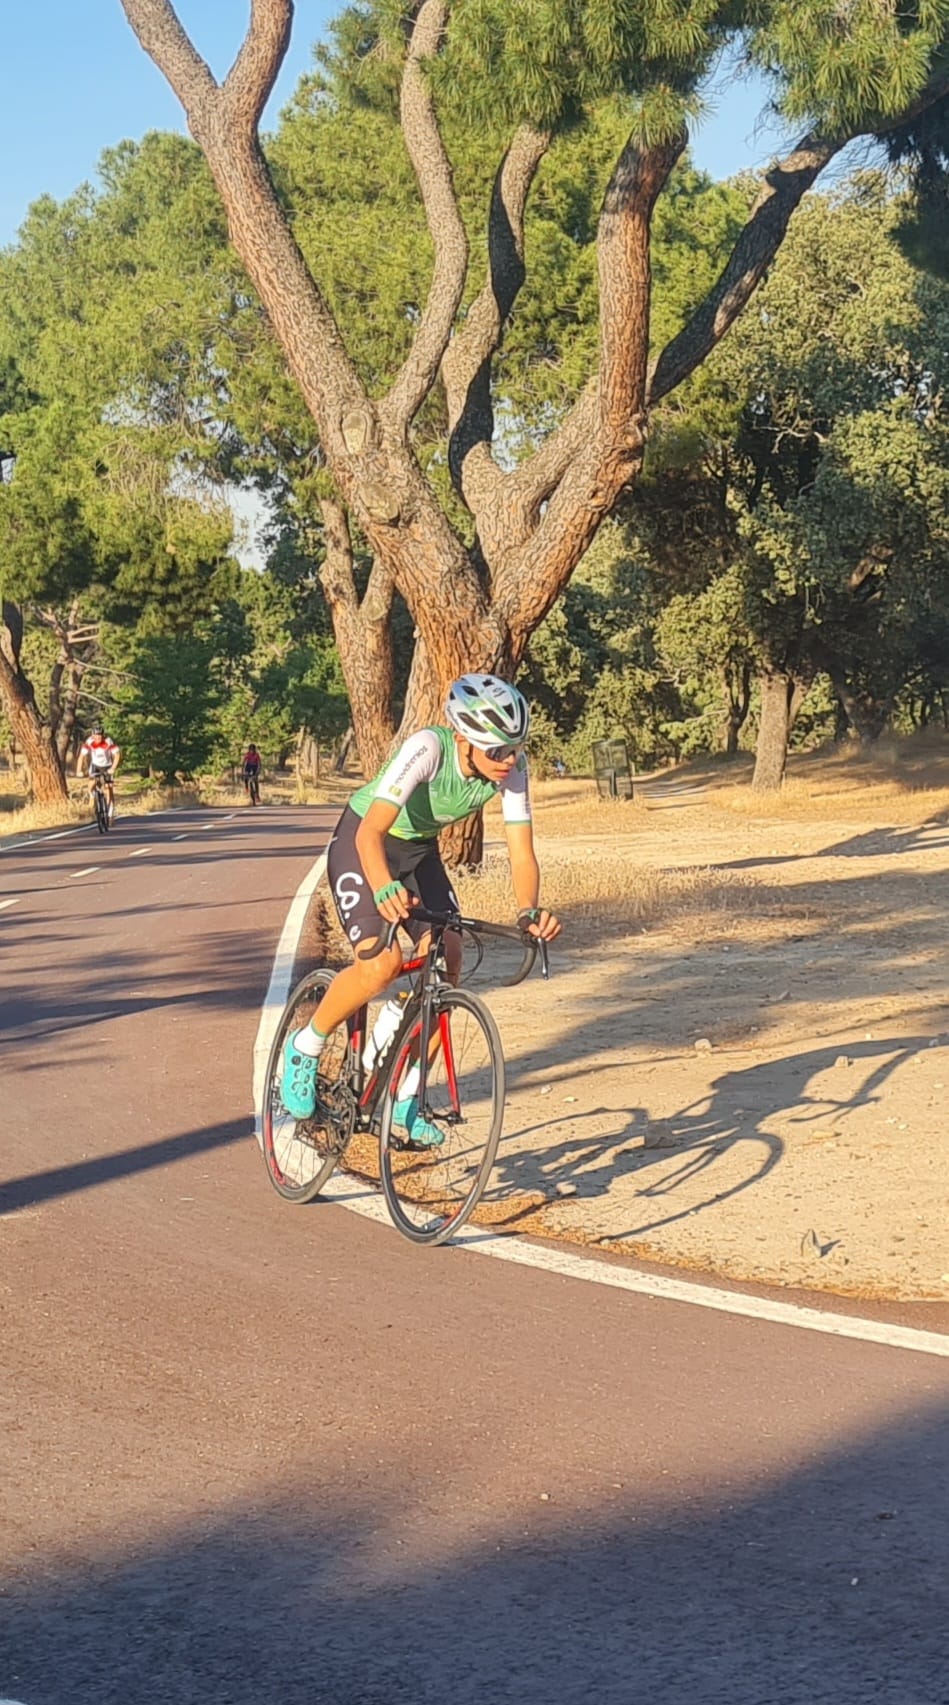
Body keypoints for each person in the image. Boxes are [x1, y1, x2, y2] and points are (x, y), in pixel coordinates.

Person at [280, 673, 562, 1145]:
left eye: (514, 747)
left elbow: (521, 852)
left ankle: (406, 1099)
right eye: (496, 751)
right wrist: (384, 888)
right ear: (462, 739)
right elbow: (370, 833)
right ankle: (304, 1045)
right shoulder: (429, 748)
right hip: (364, 843)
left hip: (417, 854)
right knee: (382, 963)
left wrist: (529, 912)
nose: (507, 760)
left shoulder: (514, 770)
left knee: (448, 960)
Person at [77, 721, 122, 819]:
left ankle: (110, 814)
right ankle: (92, 795)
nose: (98, 739)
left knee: (108, 788)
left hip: (107, 766)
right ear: (92, 736)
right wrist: (78, 770)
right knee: (91, 784)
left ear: (103, 736)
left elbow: (117, 755)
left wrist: (113, 768)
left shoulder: (108, 741)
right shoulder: (89, 742)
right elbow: (81, 757)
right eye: (96, 737)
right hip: (95, 765)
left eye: (100, 737)